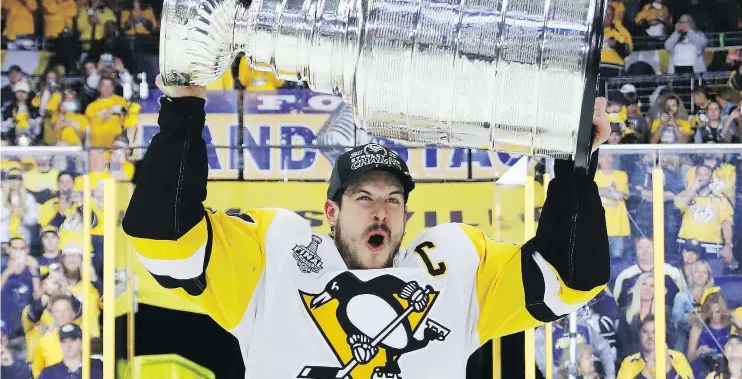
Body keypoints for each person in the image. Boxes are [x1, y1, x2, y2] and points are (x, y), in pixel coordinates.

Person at [122, 75, 612, 378]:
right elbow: (161, 237)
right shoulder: (274, 257)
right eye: (364, 198)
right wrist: (183, 110)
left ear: (406, 216)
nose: (380, 210)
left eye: (393, 200)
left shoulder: (453, 269)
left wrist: (576, 163)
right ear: (331, 212)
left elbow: (570, 276)